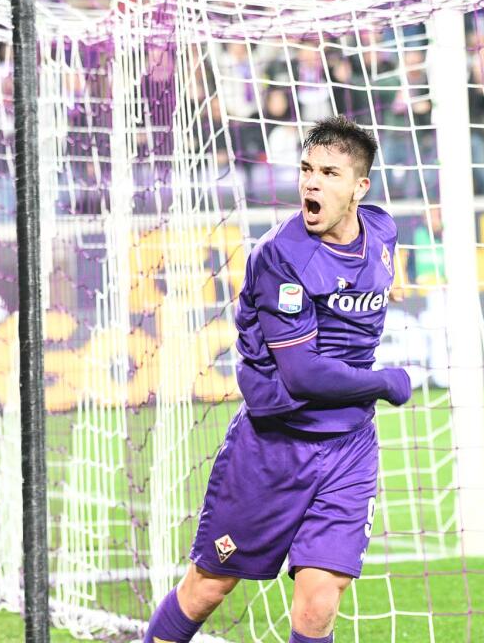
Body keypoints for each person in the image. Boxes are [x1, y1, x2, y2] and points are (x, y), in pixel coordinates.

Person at [141, 116, 412, 643]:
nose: (311, 182)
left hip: (349, 448)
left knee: (317, 608)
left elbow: (377, 264)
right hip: (273, 446)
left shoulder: (381, 229)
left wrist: (390, 285)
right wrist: (384, 383)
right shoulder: (279, 257)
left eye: (330, 173)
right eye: (307, 169)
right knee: (208, 588)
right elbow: (304, 373)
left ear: (360, 188)